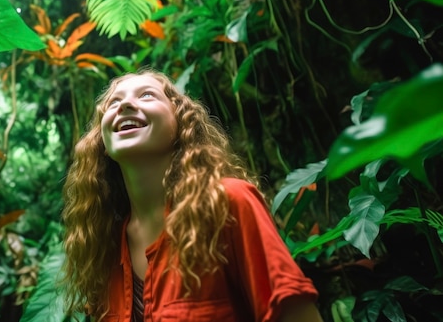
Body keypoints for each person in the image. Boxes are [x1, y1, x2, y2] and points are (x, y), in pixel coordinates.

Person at [61, 69, 323, 322]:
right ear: (102, 143)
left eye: (147, 95)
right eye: (113, 102)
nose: (125, 104)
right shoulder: (103, 242)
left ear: (182, 124)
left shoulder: (227, 202)